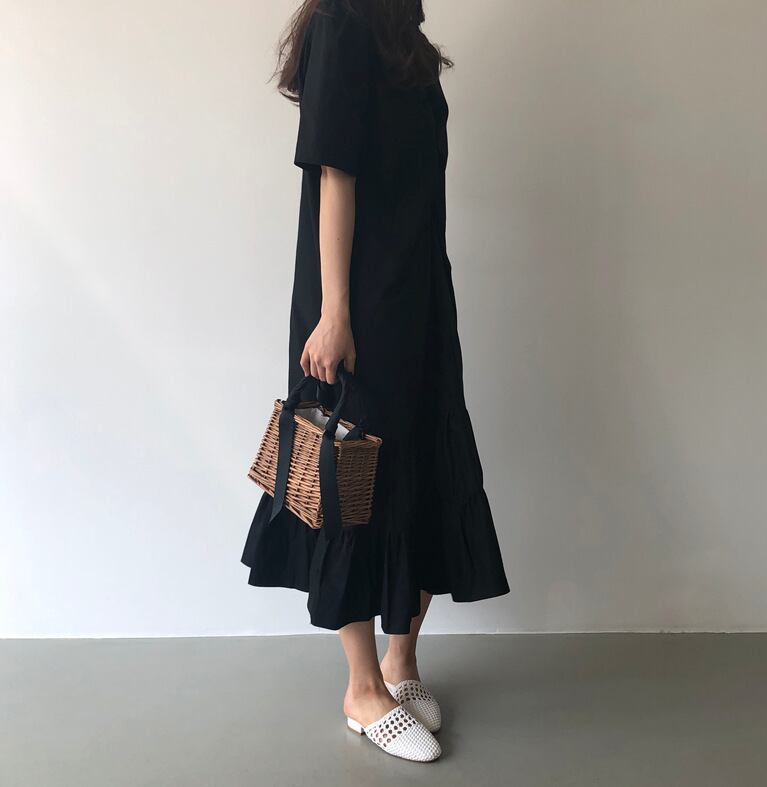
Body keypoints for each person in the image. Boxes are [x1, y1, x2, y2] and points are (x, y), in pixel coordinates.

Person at [242, 0, 509, 762]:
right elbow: (336, 173)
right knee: (351, 480)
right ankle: (362, 689)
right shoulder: (341, 23)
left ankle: (401, 662)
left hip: (418, 296)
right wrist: (334, 315)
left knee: (421, 467)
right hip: (357, 305)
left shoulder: (405, 40)